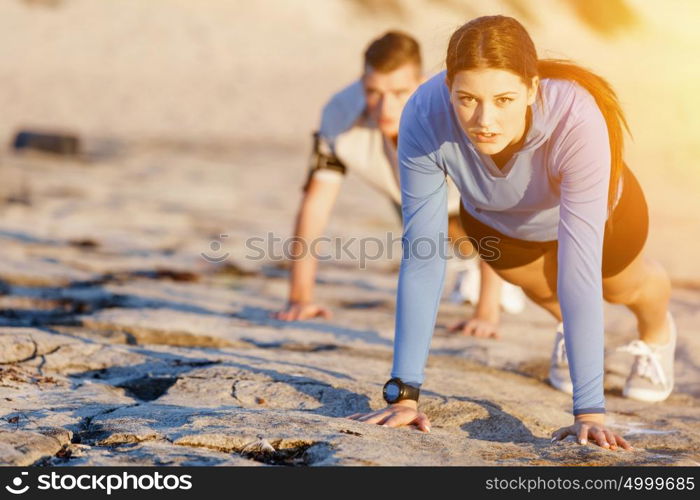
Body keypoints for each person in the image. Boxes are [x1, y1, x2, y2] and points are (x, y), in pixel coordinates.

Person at [348, 15, 677, 451]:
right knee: (542, 287)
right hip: (500, 220)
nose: (485, 119)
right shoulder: (425, 113)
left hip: (607, 214)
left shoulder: (575, 115)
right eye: (467, 99)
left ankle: (656, 334)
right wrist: (404, 395)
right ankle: (575, 337)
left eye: (504, 99)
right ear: (449, 89)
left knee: (617, 286)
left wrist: (589, 411)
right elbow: (424, 255)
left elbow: (578, 268)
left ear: (532, 89)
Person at [273, 30, 526, 337]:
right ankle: (469, 264)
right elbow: (315, 205)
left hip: (499, 201)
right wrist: (300, 298)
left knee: (488, 232)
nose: (384, 108)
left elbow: (493, 209)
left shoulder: (460, 110)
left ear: (421, 82)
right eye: (373, 92)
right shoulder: (339, 113)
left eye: (399, 93)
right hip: (410, 190)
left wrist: (486, 313)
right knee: (431, 231)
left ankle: (499, 277)